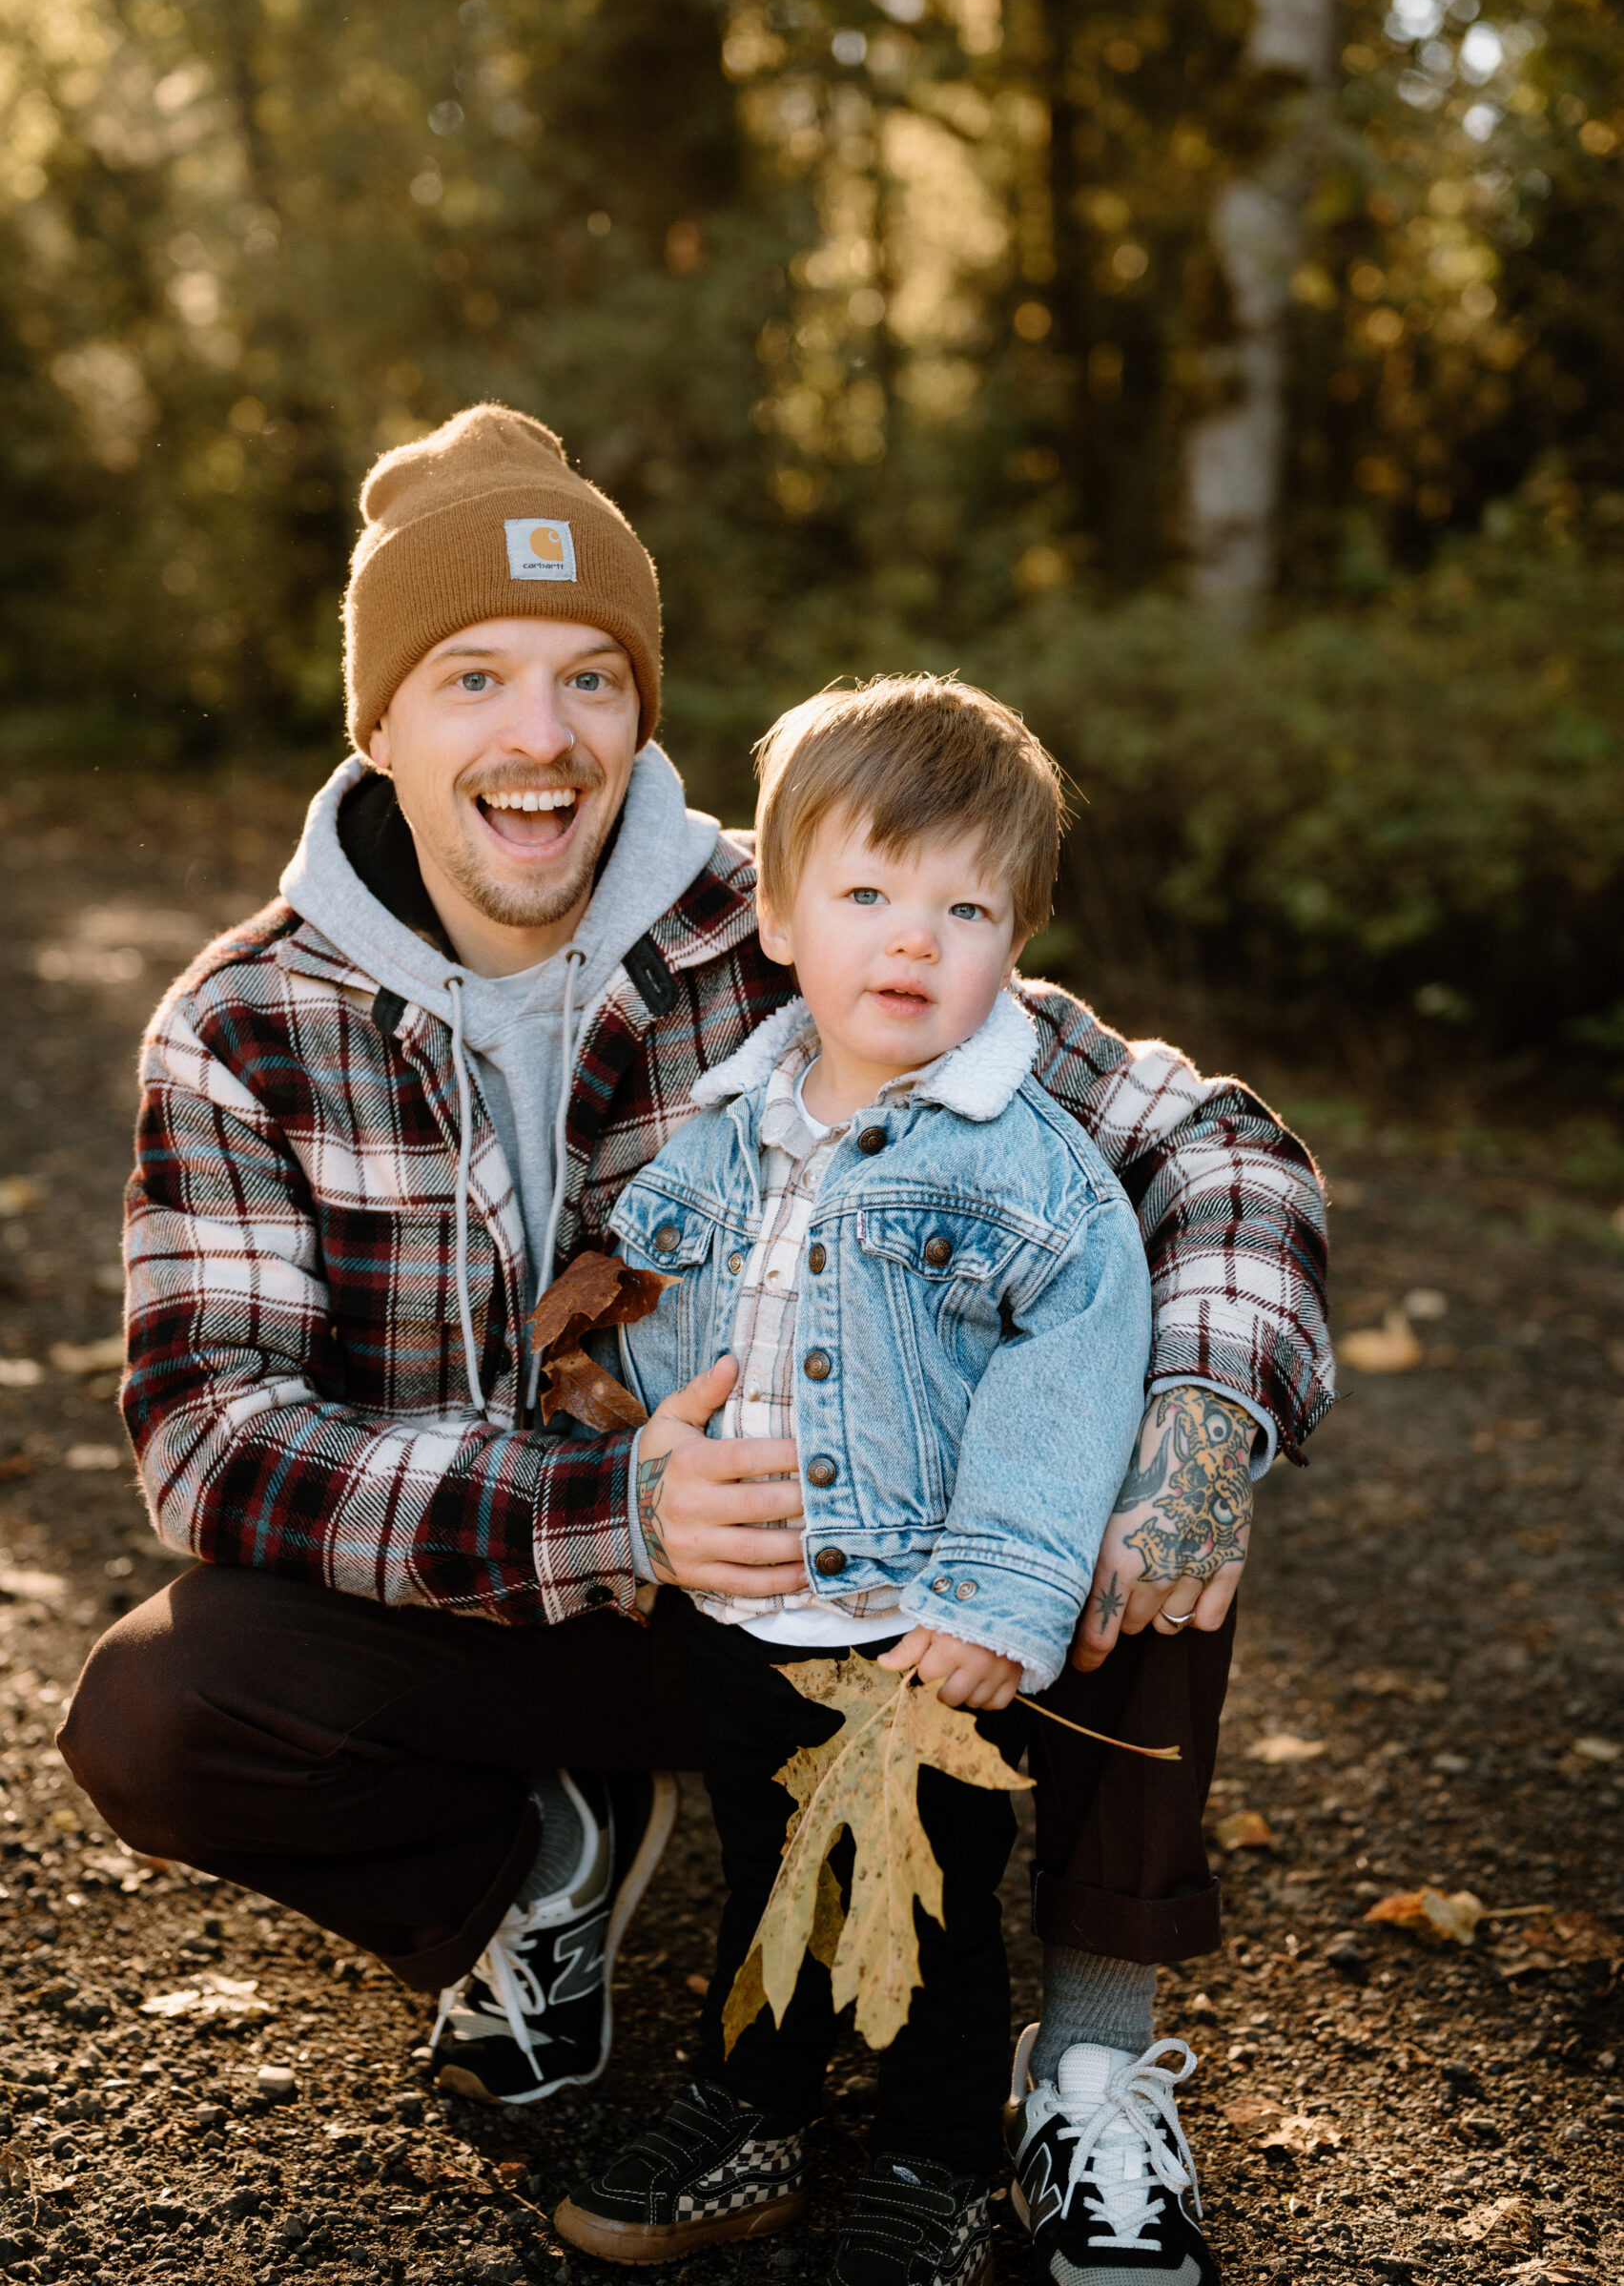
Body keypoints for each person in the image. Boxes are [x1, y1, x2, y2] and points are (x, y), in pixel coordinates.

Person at [57, 403, 1333, 2286]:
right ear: (382, 722)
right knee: (154, 1706)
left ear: (641, 713)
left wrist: (1203, 1415)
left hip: (870, 1587)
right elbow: (208, 1434)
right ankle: (536, 1868)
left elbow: (1195, 1138)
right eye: (473, 673)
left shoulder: (810, 902)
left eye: (591, 678)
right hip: (525, 1602)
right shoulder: (249, 1017)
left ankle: (1090, 2059)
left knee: (1140, 1381)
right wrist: (615, 1511)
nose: (540, 734)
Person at [550, 675, 1169, 2286]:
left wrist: (1003, 1599)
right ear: (777, 913)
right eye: (871, 892)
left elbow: (1071, 1378)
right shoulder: (734, 1113)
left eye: (965, 907)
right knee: (768, 1872)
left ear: (1015, 941)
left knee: (935, 1914)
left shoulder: (1022, 1168)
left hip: (915, 1628)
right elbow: (665, 1260)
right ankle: (750, 2105)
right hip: (741, 1601)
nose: (913, 939)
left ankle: (936, 2155)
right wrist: (591, 1315)